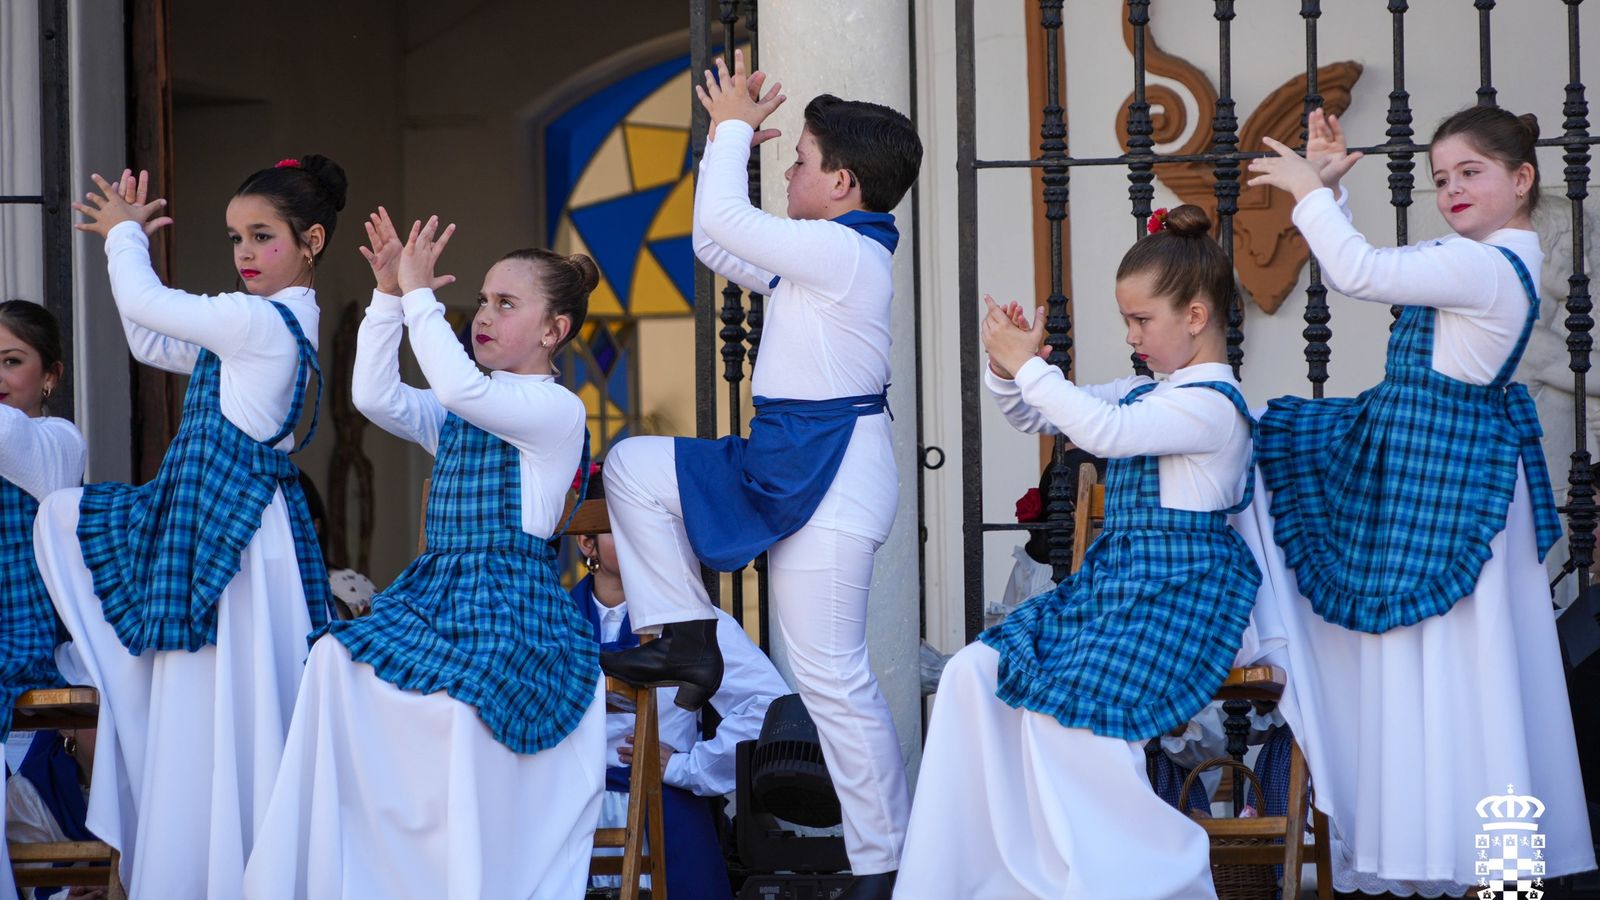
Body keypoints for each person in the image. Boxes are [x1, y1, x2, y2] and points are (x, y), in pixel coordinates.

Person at [1240, 106, 1595, 892]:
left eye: (1471, 173)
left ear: (1521, 179)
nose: (1452, 189)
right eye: (1441, 179)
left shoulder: (1487, 264)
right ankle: (1478, 868)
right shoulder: (1478, 257)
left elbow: (1362, 272)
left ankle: (1489, 870)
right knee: (1468, 679)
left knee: (1468, 677)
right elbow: (1379, 263)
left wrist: (1305, 191)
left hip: (1453, 485)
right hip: (1445, 475)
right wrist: (1328, 195)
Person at [599, 50, 922, 898]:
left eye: (804, 158)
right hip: (784, 457)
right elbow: (715, 237)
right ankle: (686, 633)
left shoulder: (846, 255)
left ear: (843, 183)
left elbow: (730, 224)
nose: (791, 166)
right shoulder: (822, 252)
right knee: (632, 466)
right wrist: (727, 140)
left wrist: (732, 126)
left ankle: (885, 863)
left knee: (831, 676)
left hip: (833, 475)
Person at [896, 205, 1257, 899]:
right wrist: (1014, 371)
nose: (1131, 336)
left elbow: (1102, 429)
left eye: (1141, 320)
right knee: (975, 671)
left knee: (1076, 710)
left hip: (1177, 595)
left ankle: (1145, 880)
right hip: (1114, 590)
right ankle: (974, 879)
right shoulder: (1151, 391)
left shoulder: (1212, 404)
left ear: (1196, 315)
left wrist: (1030, 368)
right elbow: (1045, 415)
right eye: (1126, 320)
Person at [243, 210, 601, 899]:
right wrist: (387, 296)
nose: (484, 317)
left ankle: (445, 866)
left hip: (509, 608)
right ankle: (353, 867)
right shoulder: (467, 408)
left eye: (506, 304)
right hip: (436, 595)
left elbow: (463, 387)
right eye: (485, 301)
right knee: (333, 658)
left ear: (553, 331)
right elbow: (373, 396)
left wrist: (419, 299)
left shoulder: (554, 411)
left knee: (454, 704)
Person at [34, 161, 337, 896]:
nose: (244, 252)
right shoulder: (264, 322)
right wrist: (126, 246)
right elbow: (151, 339)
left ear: (311, 241)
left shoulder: (257, 322)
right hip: (232, 533)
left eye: (263, 236)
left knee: (223, 696)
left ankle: (220, 867)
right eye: (236, 237)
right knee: (225, 700)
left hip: (228, 537)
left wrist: (122, 237)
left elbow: (148, 300)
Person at [573, 462, 789, 898]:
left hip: (666, 809)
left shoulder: (693, 624)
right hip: (568, 817)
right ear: (586, 541)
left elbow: (770, 707)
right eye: (620, 523)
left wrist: (690, 768)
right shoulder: (547, 622)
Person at [0, 300, 84, 900]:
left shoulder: (58, 441)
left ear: (50, 376)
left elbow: (13, 443)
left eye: (11, 361)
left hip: (25, 648)